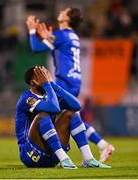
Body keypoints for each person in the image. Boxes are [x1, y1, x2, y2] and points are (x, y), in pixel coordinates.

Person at [26, 7, 114, 162]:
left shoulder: (62, 35)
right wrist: (47, 37)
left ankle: (55, 153)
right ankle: (100, 146)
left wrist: (33, 31)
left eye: (64, 11)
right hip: (74, 81)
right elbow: (55, 46)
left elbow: (36, 48)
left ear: (67, 18)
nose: (60, 11)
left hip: (64, 81)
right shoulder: (72, 36)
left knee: (57, 116)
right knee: (70, 116)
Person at [15, 66, 111, 169]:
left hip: (52, 156)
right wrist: (47, 85)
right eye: (41, 76)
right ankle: (64, 158)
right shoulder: (27, 98)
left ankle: (88, 159)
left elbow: (77, 106)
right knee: (43, 116)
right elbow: (54, 108)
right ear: (33, 82)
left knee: (72, 114)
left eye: (46, 75)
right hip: (30, 154)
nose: (45, 78)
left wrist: (53, 85)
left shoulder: (50, 94)